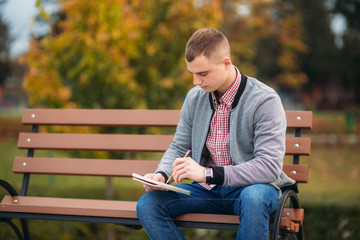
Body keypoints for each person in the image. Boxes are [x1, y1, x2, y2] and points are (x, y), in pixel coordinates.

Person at [136, 28, 295, 240]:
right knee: (148, 204)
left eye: (203, 74)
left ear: (226, 63)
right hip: (206, 191)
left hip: (250, 190)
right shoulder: (195, 98)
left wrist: (207, 173)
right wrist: (162, 175)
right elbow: (179, 146)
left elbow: (268, 167)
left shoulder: (264, 100)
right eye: (192, 74)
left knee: (255, 197)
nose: (196, 82)